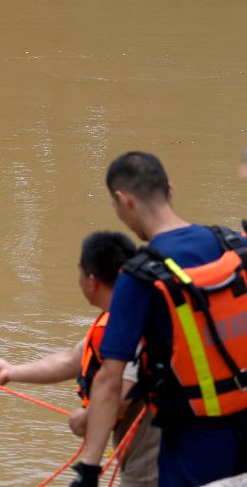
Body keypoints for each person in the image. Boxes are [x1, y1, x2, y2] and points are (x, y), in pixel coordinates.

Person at [72, 152, 247, 487]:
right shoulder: (231, 244)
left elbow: (109, 380)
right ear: (170, 189)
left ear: (124, 200)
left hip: (196, 441)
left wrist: (89, 469)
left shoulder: (139, 276)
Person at [0, 232, 160, 487]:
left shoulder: (129, 325)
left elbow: (121, 396)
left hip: (153, 465)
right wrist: (10, 372)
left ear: (91, 281)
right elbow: (71, 360)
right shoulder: (128, 313)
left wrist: (85, 419)